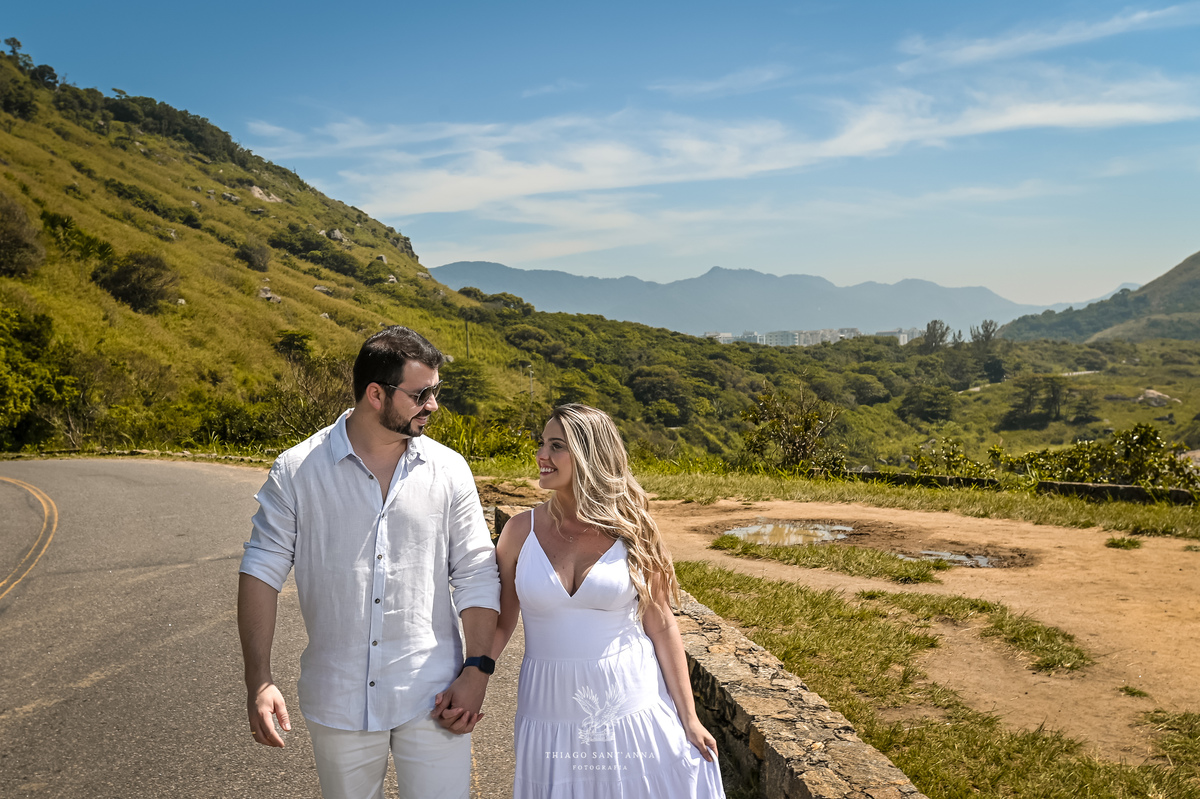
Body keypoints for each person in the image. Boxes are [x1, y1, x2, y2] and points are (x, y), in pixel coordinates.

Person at [237, 326, 500, 799]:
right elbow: (261, 572)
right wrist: (259, 681)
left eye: (436, 392)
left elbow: (477, 573)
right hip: (338, 698)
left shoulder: (450, 470)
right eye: (421, 394)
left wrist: (477, 670)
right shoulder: (298, 470)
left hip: (435, 693)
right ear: (376, 394)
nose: (434, 405)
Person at [490, 403, 725, 797]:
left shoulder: (632, 532)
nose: (541, 456)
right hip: (547, 709)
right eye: (542, 443)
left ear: (588, 454)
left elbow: (662, 623)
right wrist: (473, 677)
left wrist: (690, 717)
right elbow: (501, 621)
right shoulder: (518, 533)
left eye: (556, 446)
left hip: (631, 703)